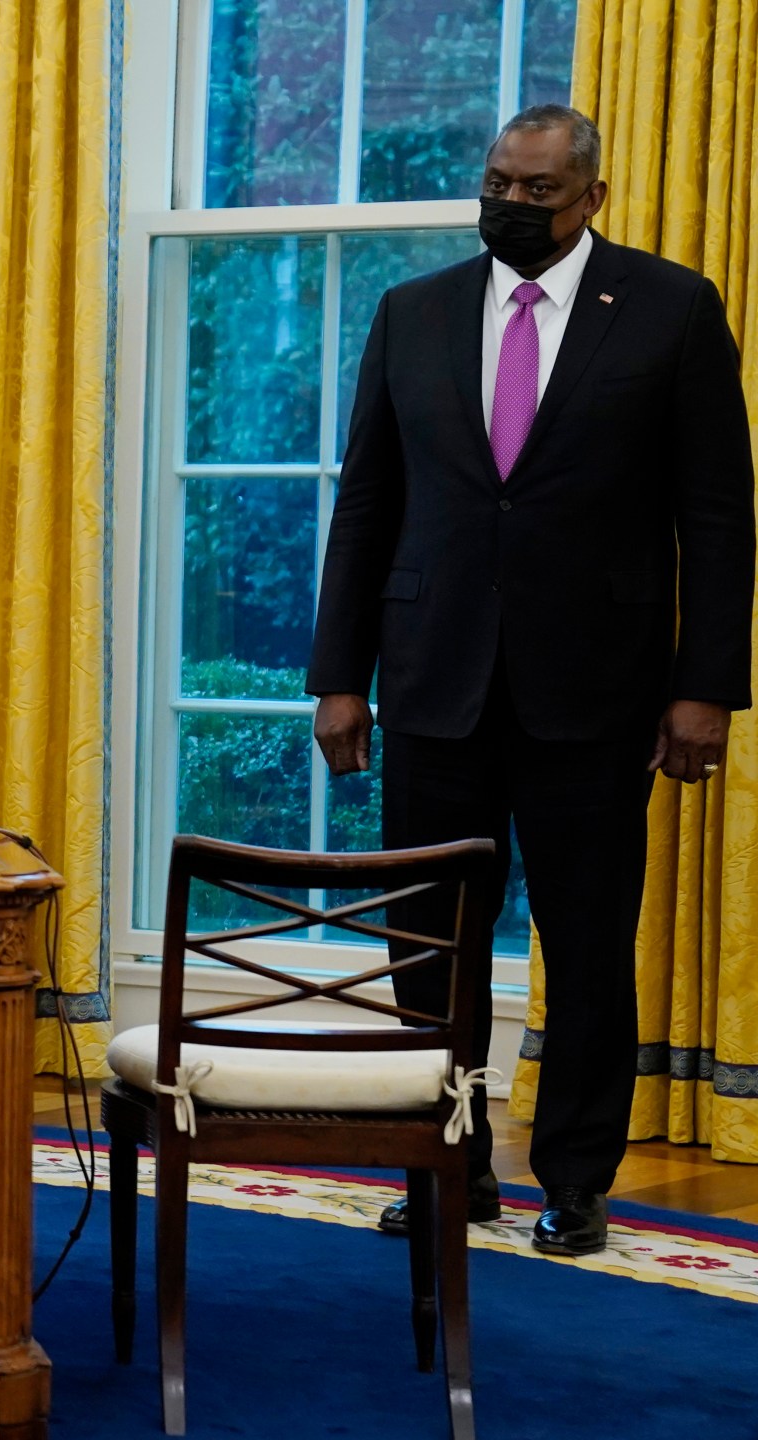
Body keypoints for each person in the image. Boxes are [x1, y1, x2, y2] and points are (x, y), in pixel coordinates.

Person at [306, 106, 754, 1257]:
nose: (508, 202)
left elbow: (715, 516)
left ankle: (574, 1179)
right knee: (428, 944)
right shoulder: (413, 312)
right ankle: (444, 1165)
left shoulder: (670, 309)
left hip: (597, 691)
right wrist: (335, 677)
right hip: (433, 681)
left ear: (591, 198)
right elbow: (366, 504)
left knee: (589, 940)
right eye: (497, 181)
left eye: (536, 190)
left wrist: (704, 688)